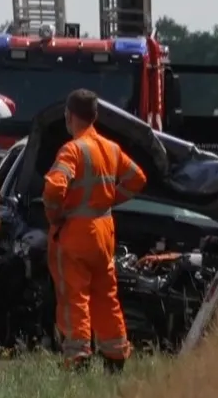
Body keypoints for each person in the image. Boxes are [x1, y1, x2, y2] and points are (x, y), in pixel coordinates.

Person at [43, 88, 147, 372]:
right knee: (106, 294)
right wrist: (111, 199)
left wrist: (55, 215)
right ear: (95, 115)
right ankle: (115, 355)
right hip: (104, 232)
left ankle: (77, 357)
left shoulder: (72, 149)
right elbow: (137, 179)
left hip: (76, 233)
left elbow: (54, 188)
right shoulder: (110, 148)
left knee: (74, 295)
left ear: (69, 116)